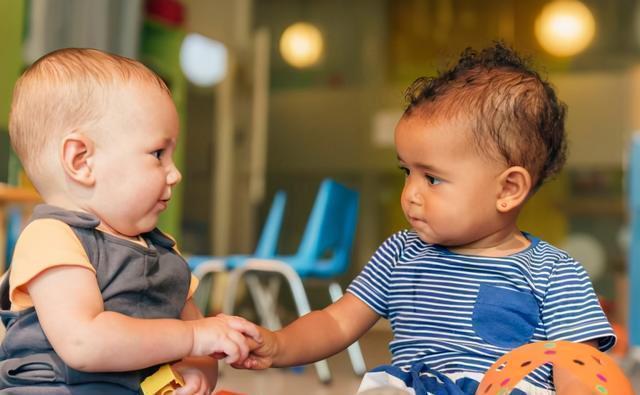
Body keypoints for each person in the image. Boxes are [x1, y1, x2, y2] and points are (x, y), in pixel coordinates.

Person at [236, 43, 616, 394]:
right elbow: (336, 323)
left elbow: (576, 365)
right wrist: (279, 344)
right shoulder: (401, 253)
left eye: (432, 178)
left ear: (508, 190)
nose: (411, 194)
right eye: (407, 172)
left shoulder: (554, 272)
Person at [0, 48, 261, 395]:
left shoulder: (164, 251)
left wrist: (197, 371)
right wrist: (193, 338)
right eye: (157, 154)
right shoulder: (52, 238)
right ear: (81, 161)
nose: (176, 173)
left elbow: (198, 340)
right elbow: (84, 342)